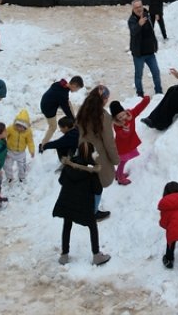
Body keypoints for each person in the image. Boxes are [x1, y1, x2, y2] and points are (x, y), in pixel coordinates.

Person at [52, 141, 111, 266]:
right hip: (84, 205)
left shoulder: (70, 164)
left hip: (67, 201)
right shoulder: (91, 169)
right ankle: (96, 255)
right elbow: (97, 189)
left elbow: (61, 180)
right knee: (92, 227)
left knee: (67, 225)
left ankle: (64, 255)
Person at [76, 85, 119, 220]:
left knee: (88, 181)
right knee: (97, 185)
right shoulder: (102, 116)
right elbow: (109, 142)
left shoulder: (83, 111)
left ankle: (85, 205)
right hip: (98, 156)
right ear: (104, 99)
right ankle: (92, 212)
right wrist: (115, 159)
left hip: (84, 151)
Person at [110, 97, 151, 184]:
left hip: (129, 143)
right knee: (123, 161)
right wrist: (125, 131)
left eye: (123, 115)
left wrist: (146, 100)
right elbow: (120, 135)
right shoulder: (117, 125)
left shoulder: (130, 115)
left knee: (123, 161)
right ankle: (120, 177)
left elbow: (138, 108)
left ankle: (118, 174)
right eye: (119, 117)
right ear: (116, 118)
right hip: (122, 146)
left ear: (125, 111)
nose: (122, 118)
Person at [128, 0, 163, 97]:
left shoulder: (147, 15)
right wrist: (139, 24)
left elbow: (152, 32)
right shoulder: (132, 20)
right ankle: (140, 94)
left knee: (156, 72)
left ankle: (159, 92)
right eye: (136, 7)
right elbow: (133, 32)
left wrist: (155, 45)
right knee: (138, 75)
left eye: (140, 7)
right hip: (139, 54)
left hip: (150, 53)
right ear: (133, 9)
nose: (139, 9)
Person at [40, 76, 84, 146]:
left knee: (68, 103)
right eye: (77, 89)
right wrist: (72, 120)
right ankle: (43, 144)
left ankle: (75, 119)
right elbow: (66, 110)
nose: (76, 91)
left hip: (49, 101)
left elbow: (65, 103)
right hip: (48, 108)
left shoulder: (61, 84)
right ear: (74, 85)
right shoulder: (62, 94)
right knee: (52, 127)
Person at [3, 110, 35, 183]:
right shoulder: (11, 128)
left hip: (21, 153)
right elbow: (4, 135)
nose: (19, 128)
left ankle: (22, 177)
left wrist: (32, 150)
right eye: (18, 125)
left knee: (22, 166)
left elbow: (30, 142)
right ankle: (9, 177)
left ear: (26, 126)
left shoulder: (28, 132)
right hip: (10, 151)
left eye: (22, 127)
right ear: (15, 123)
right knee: (7, 166)